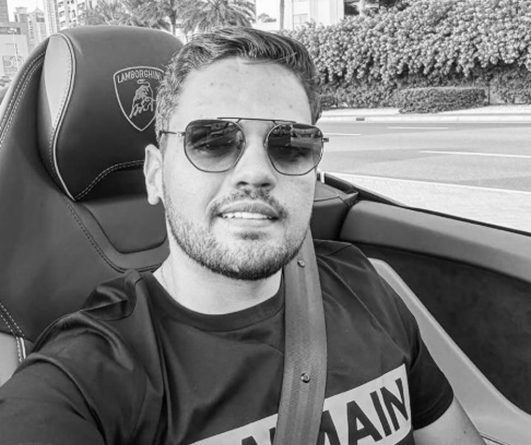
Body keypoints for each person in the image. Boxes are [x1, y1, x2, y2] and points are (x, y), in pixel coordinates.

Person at [0, 27, 484, 445]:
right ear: (155, 175)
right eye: (211, 141)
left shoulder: (363, 284)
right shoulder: (87, 376)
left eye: (290, 144)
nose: (256, 172)